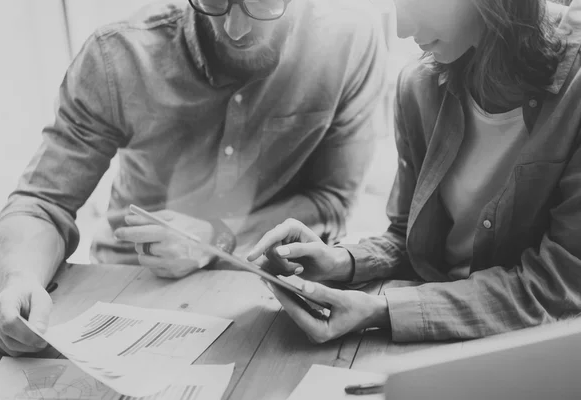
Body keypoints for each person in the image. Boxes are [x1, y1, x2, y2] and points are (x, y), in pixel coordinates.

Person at [0, 0, 387, 356]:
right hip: (129, 290)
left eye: (261, 3)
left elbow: (332, 199)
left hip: (269, 292)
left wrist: (217, 237)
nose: (234, 27)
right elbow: (41, 203)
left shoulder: (350, 39)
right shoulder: (118, 56)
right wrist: (19, 277)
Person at [249, 0, 581, 343]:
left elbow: (558, 286)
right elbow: (410, 235)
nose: (401, 29)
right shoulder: (418, 85)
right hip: (432, 324)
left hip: (536, 349)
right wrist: (340, 260)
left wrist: (383, 310)